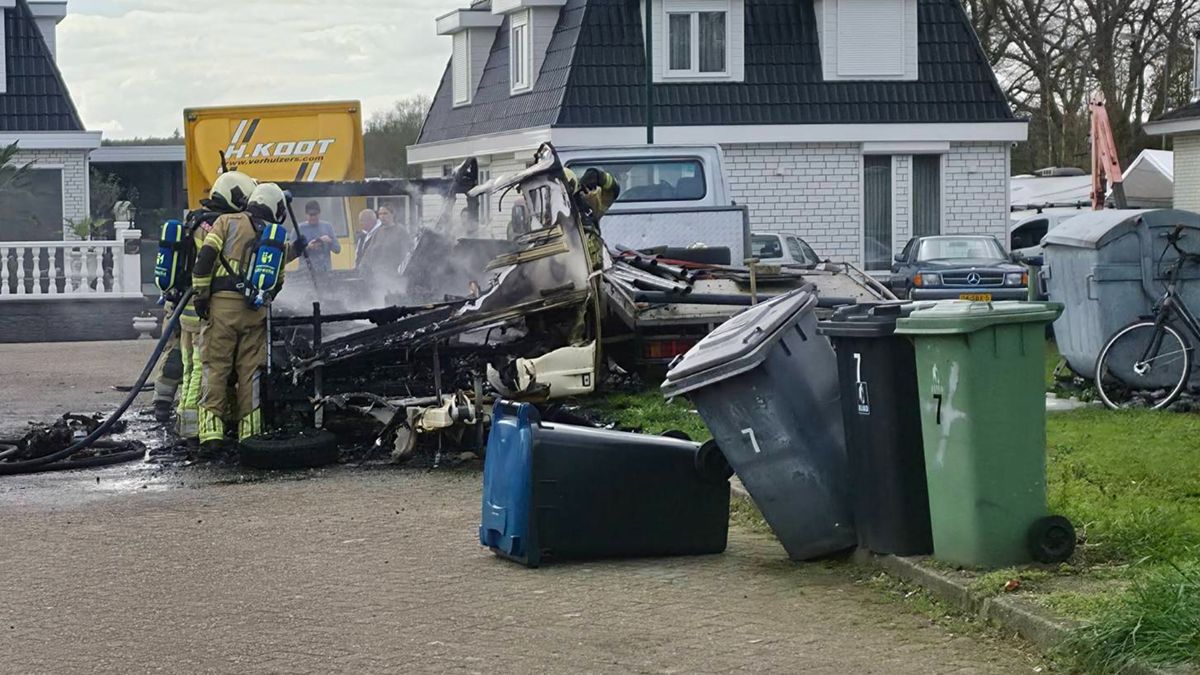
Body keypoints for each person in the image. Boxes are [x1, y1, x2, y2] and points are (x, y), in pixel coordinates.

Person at [192, 182, 304, 455]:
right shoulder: (274, 236)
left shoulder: (226, 221)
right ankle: (250, 434)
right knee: (250, 374)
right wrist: (296, 250)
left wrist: (201, 297)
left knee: (215, 368)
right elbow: (276, 281)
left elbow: (205, 258)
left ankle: (211, 434)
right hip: (255, 313)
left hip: (222, 308)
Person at [355, 208, 410, 277]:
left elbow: (404, 252)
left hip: (387, 274)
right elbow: (365, 254)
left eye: (362, 221)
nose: (360, 223)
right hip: (370, 274)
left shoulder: (394, 231)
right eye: (380, 214)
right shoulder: (365, 235)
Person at [298, 200, 340, 272]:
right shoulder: (299, 229)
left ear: (319, 214)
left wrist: (330, 241)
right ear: (306, 215)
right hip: (305, 272)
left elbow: (337, 250)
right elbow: (292, 252)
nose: (313, 217)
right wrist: (308, 247)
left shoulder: (328, 227)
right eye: (311, 215)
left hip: (325, 271)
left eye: (315, 214)